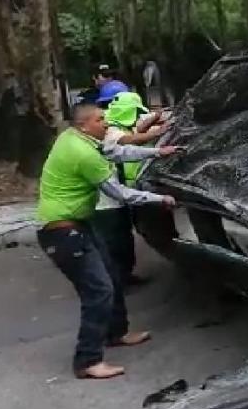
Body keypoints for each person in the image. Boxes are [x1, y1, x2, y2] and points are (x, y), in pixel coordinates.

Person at [36, 102, 178, 379]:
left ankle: (116, 333)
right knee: (98, 291)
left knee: (112, 277)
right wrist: (160, 199)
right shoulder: (82, 154)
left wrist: (157, 152)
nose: (107, 124)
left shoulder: (76, 138)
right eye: (100, 120)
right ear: (83, 125)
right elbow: (121, 193)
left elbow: (118, 151)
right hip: (62, 232)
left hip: (78, 224)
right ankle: (87, 361)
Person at [92, 92, 169, 286]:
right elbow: (131, 141)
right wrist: (158, 133)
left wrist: (154, 121)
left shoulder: (108, 128)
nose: (105, 122)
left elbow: (134, 134)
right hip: (107, 202)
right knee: (115, 243)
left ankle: (122, 276)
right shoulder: (108, 133)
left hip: (117, 196)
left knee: (123, 240)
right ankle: (115, 283)